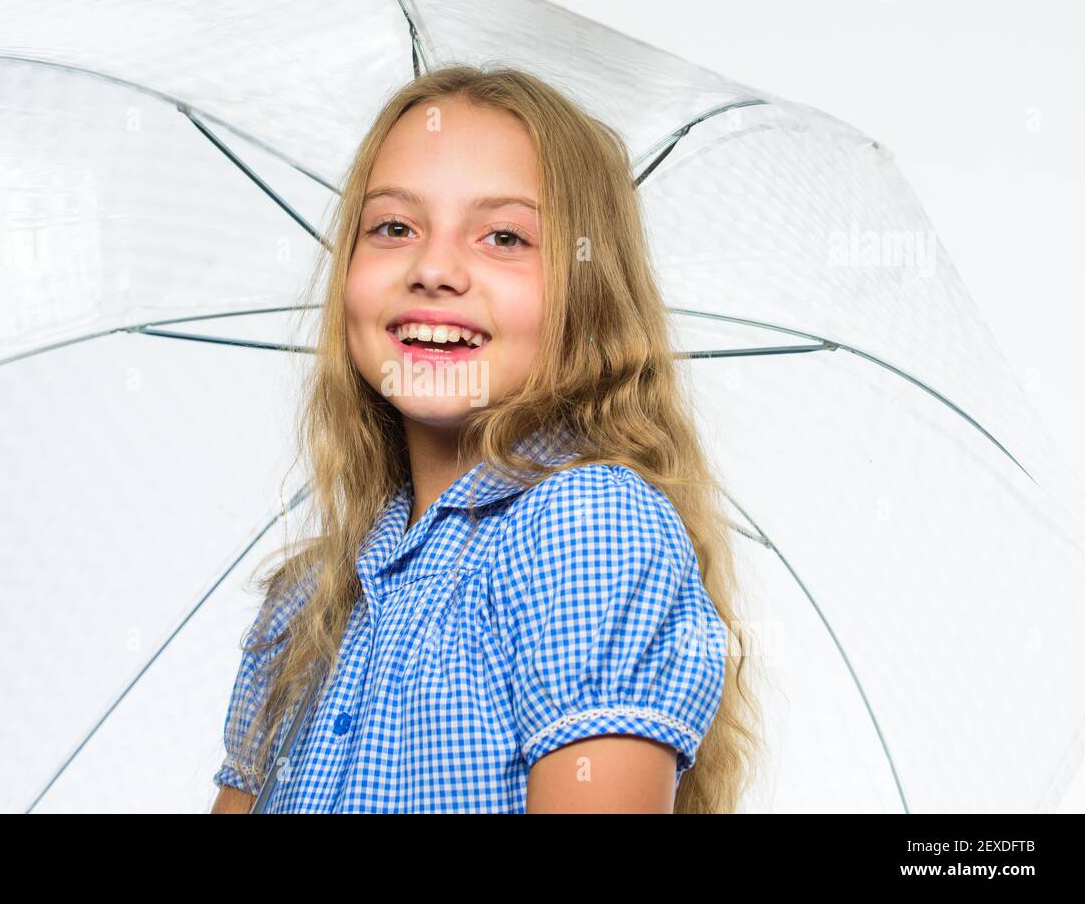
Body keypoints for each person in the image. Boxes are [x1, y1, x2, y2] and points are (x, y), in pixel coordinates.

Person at [211, 63, 760, 813]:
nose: (434, 269)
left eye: (504, 236)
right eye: (394, 227)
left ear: (587, 291)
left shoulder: (585, 528)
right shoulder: (302, 606)